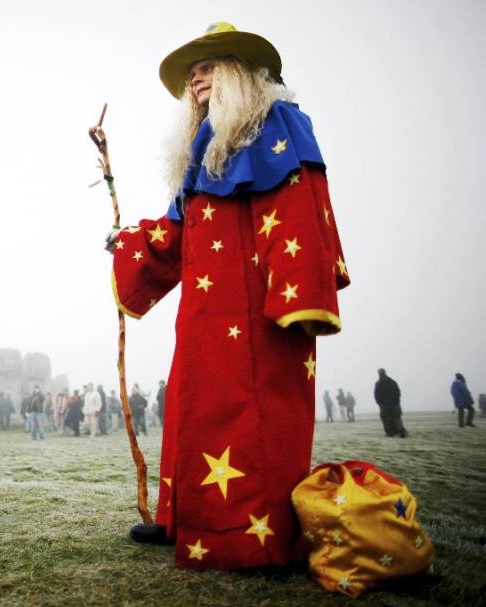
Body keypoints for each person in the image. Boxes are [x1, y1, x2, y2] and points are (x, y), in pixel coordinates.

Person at [106, 22, 349, 570]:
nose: (196, 76)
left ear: (241, 73)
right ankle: (188, 524)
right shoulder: (201, 154)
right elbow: (176, 235)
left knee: (251, 421)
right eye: (193, 71)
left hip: (261, 314)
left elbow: (299, 210)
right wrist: (126, 244)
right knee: (195, 414)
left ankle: (246, 539)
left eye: (209, 66)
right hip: (202, 316)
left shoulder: (277, 124)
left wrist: (299, 297)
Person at [374, 369, 407, 437]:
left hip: (384, 405)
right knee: (397, 418)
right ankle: (401, 431)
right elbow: (398, 392)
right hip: (394, 403)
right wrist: (397, 400)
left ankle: (390, 433)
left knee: (386, 419)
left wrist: (379, 402)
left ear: (379, 374)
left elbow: (376, 394)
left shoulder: (378, 383)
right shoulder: (392, 381)